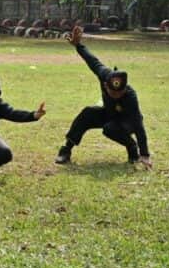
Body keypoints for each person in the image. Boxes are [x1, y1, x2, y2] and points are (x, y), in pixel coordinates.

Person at [55, 26, 153, 167]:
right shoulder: (104, 75)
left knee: (110, 128)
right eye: (112, 93)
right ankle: (66, 150)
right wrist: (78, 45)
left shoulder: (130, 96)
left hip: (127, 121)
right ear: (106, 85)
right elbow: (92, 60)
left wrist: (145, 154)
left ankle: (132, 148)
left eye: (120, 93)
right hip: (110, 113)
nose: (116, 96)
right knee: (87, 113)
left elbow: (138, 125)